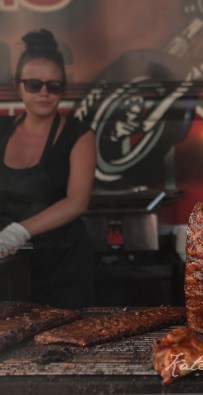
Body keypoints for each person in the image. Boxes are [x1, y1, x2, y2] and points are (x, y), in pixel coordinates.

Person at [0, 29, 96, 307]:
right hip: (8, 267)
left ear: (62, 90)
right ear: (19, 86)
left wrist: (17, 232)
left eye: (53, 86)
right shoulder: (2, 130)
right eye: (33, 84)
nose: (44, 92)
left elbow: (77, 203)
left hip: (62, 266)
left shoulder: (79, 135)